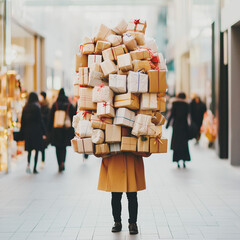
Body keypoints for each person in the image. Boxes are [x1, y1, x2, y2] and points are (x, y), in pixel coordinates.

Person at [97, 152, 150, 235]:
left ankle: (132, 223)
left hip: (130, 161)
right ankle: (117, 222)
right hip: (115, 162)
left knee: (132, 195)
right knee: (115, 196)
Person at [48, 88, 75, 172]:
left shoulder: (55, 105)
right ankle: (63, 161)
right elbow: (73, 116)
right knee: (64, 147)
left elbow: (50, 119)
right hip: (66, 130)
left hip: (56, 130)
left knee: (57, 147)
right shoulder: (69, 105)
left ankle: (59, 163)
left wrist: (49, 130)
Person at [20, 92, 46, 174]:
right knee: (36, 150)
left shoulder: (25, 108)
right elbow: (40, 121)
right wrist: (44, 132)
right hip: (36, 131)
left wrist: (22, 132)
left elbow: (22, 121)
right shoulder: (37, 107)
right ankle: (34, 168)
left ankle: (28, 165)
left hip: (28, 131)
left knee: (29, 150)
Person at [166, 92, 190, 168]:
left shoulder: (175, 104)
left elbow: (172, 114)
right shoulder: (186, 104)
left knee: (176, 144)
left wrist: (167, 124)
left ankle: (177, 161)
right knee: (184, 144)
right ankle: (184, 160)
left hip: (176, 126)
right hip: (184, 126)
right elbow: (189, 115)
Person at [39, 91, 50, 167]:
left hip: (44, 128)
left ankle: (43, 160)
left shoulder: (45, 106)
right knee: (40, 145)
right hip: (40, 128)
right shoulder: (39, 105)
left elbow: (48, 118)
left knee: (42, 145)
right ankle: (42, 160)